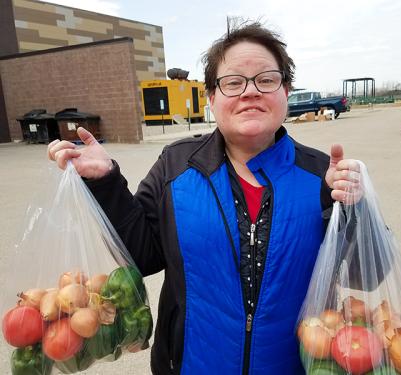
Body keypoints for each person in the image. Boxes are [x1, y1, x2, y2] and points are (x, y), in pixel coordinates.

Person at [47, 20, 362, 374]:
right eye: (233, 83)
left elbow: (366, 276)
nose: (250, 92)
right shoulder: (176, 166)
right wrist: (105, 182)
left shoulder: (321, 173)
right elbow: (142, 255)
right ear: (212, 98)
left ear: (286, 91)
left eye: (267, 79)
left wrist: (350, 209)